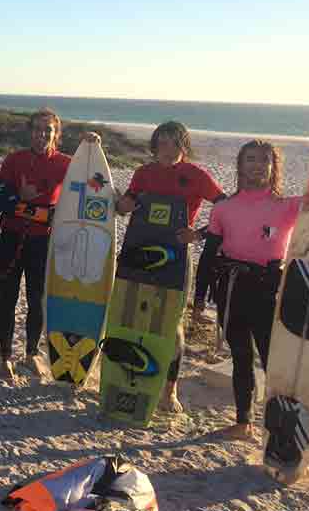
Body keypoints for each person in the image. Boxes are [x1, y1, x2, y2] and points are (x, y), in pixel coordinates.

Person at [196, 139, 309, 440]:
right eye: (250, 159)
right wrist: (199, 298)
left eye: (264, 160)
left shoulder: (287, 206)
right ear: (240, 165)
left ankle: (283, 428)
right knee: (240, 356)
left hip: (269, 290)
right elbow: (209, 254)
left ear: (274, 167)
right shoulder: (224, 208)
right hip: (230, 289)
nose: (256, 166)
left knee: (272, 362)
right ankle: (243, 422)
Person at [115, 120, 226, 412]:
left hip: (175, 258)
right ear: (154, 145)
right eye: (162, 142)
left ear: (184, 146)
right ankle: (132, 377)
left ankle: (169, 391)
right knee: (133, 317)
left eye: (175, 142)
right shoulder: (144, 173)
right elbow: (126, 204)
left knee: (172, 325)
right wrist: (120, 204)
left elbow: (226, 207)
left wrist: (199, 234)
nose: (168, 149)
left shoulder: (196, 175)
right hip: (138, 255)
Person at [0, 108, 72, 382]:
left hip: (44, 241)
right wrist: (20, 198)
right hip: (12, 239)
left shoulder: (66, 164)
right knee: (7, 299)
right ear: (30, 132)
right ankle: (4, 356)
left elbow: (91, 183)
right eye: (37, 129)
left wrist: (91, 146)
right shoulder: (15, 160)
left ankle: (30, 353)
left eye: (48, 130)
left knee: (36, 301)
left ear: (56, 134)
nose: (42, 134)